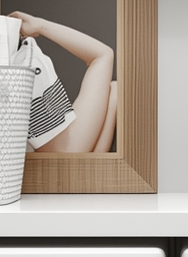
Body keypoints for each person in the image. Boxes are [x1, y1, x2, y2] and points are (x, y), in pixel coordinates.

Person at [9, 11, 117, 154]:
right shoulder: (23, 65)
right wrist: (39, 25)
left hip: (63, 154)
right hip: (64, 151)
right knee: (112, 83)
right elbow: (101, 55)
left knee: (115, 91)